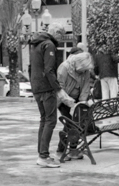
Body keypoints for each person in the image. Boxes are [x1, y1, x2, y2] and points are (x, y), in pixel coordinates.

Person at [29, 22, 71, 168]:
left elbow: (34, 68)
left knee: (44, 119)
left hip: (36, 87)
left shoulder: (36, 44)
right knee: (50, 120)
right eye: (61, 34)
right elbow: (49, 70)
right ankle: (43, 156)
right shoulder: (49, 45)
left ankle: (41, 153)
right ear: (57, 33)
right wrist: (58, 89)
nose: (61, 38)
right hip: (46, 88)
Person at [56, 51, 95, 160]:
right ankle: (60, 151)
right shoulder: (64, 67)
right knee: (69, 124)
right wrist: (71, 104)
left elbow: (86, 88)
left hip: (77, 99)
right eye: (83, 69)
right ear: (78, 63)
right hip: (63, 100)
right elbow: (59, 89)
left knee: (79, 124)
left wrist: (81, 103)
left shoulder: (85, 70)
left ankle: (73, 150)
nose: (84, 71)